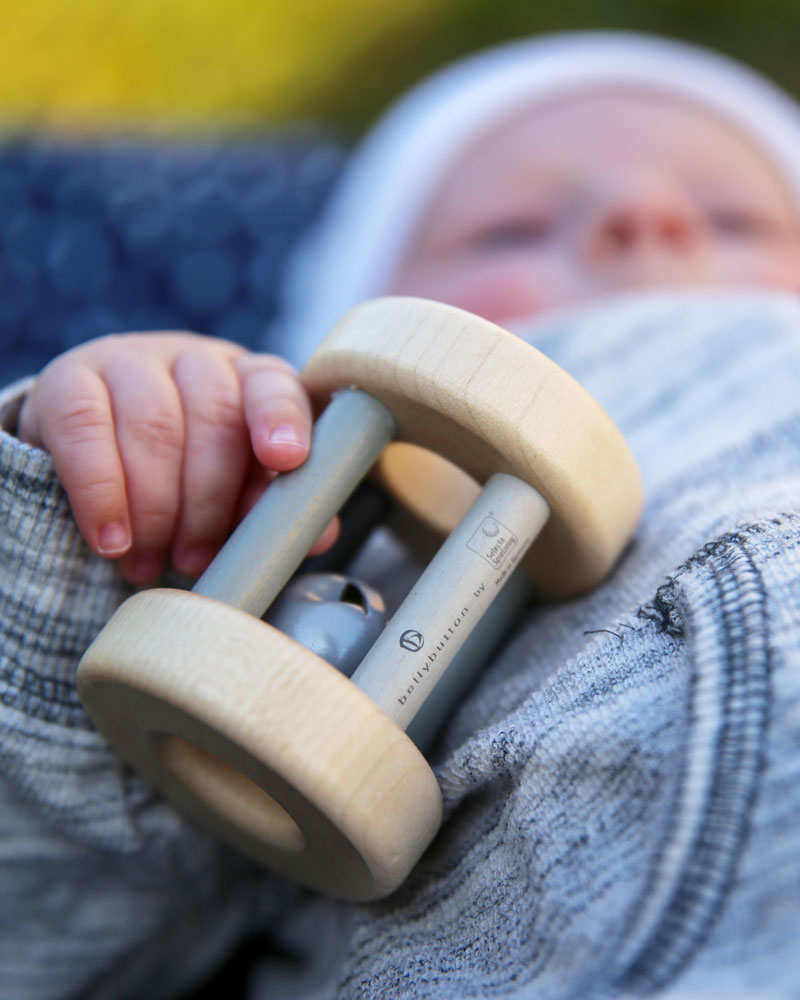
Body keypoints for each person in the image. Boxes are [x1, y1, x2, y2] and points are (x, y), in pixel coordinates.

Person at [1, 31, 799, 1000]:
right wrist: (88, 512)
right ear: (347, 332)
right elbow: (51, 927)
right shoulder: (322, 537)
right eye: (510, 230)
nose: (643, 210)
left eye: (735, 220)